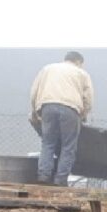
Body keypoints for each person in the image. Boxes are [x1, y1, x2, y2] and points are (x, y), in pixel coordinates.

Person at [29, 51, 94, 187]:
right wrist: (83, 115)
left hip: (47, 106)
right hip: (71, 108)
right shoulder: (81, 74)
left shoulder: (47, 69)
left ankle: (43, 176)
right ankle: (60, 180)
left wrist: (35, 112)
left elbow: (34, 91)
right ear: (78, 62)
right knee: (68, 146)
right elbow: (88, 98)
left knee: (48, 143)